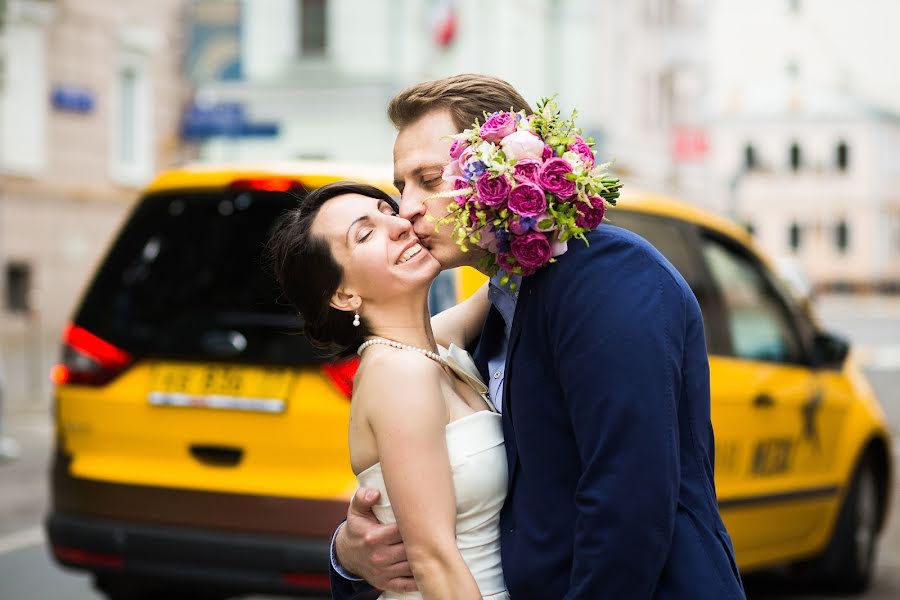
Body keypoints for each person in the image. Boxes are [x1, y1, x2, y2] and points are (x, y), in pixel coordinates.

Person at [329, 74, 746, 599]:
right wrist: (348, 553)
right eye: (401, 187)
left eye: (429, 180)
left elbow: (626, 507)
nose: (407, 209)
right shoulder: (499, 306)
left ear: (501, 172)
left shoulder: (610, 277)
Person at [269, 182, 509, 600]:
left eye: (388, 210)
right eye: (365, 234)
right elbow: (434, 559)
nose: (399, 225)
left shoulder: (429, 348)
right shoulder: (398, 373)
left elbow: (514, 270)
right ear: (344, 295)